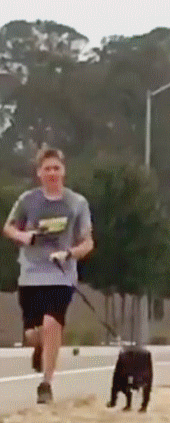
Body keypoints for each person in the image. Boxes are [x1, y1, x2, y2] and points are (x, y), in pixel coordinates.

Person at [3, 147, 94, 404]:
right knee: (33, 334)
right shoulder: (27, 201)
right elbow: (8, 228)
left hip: (61, 276)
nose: (52, 173)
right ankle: (41, 347)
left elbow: (87, 243)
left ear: (63, 171)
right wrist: (22, 236)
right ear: (39, 173)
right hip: (31, 275)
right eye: (47, 168)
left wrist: (69, 254)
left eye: (56, 168)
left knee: (53, 324)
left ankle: (46, 384)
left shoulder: (77, 203)